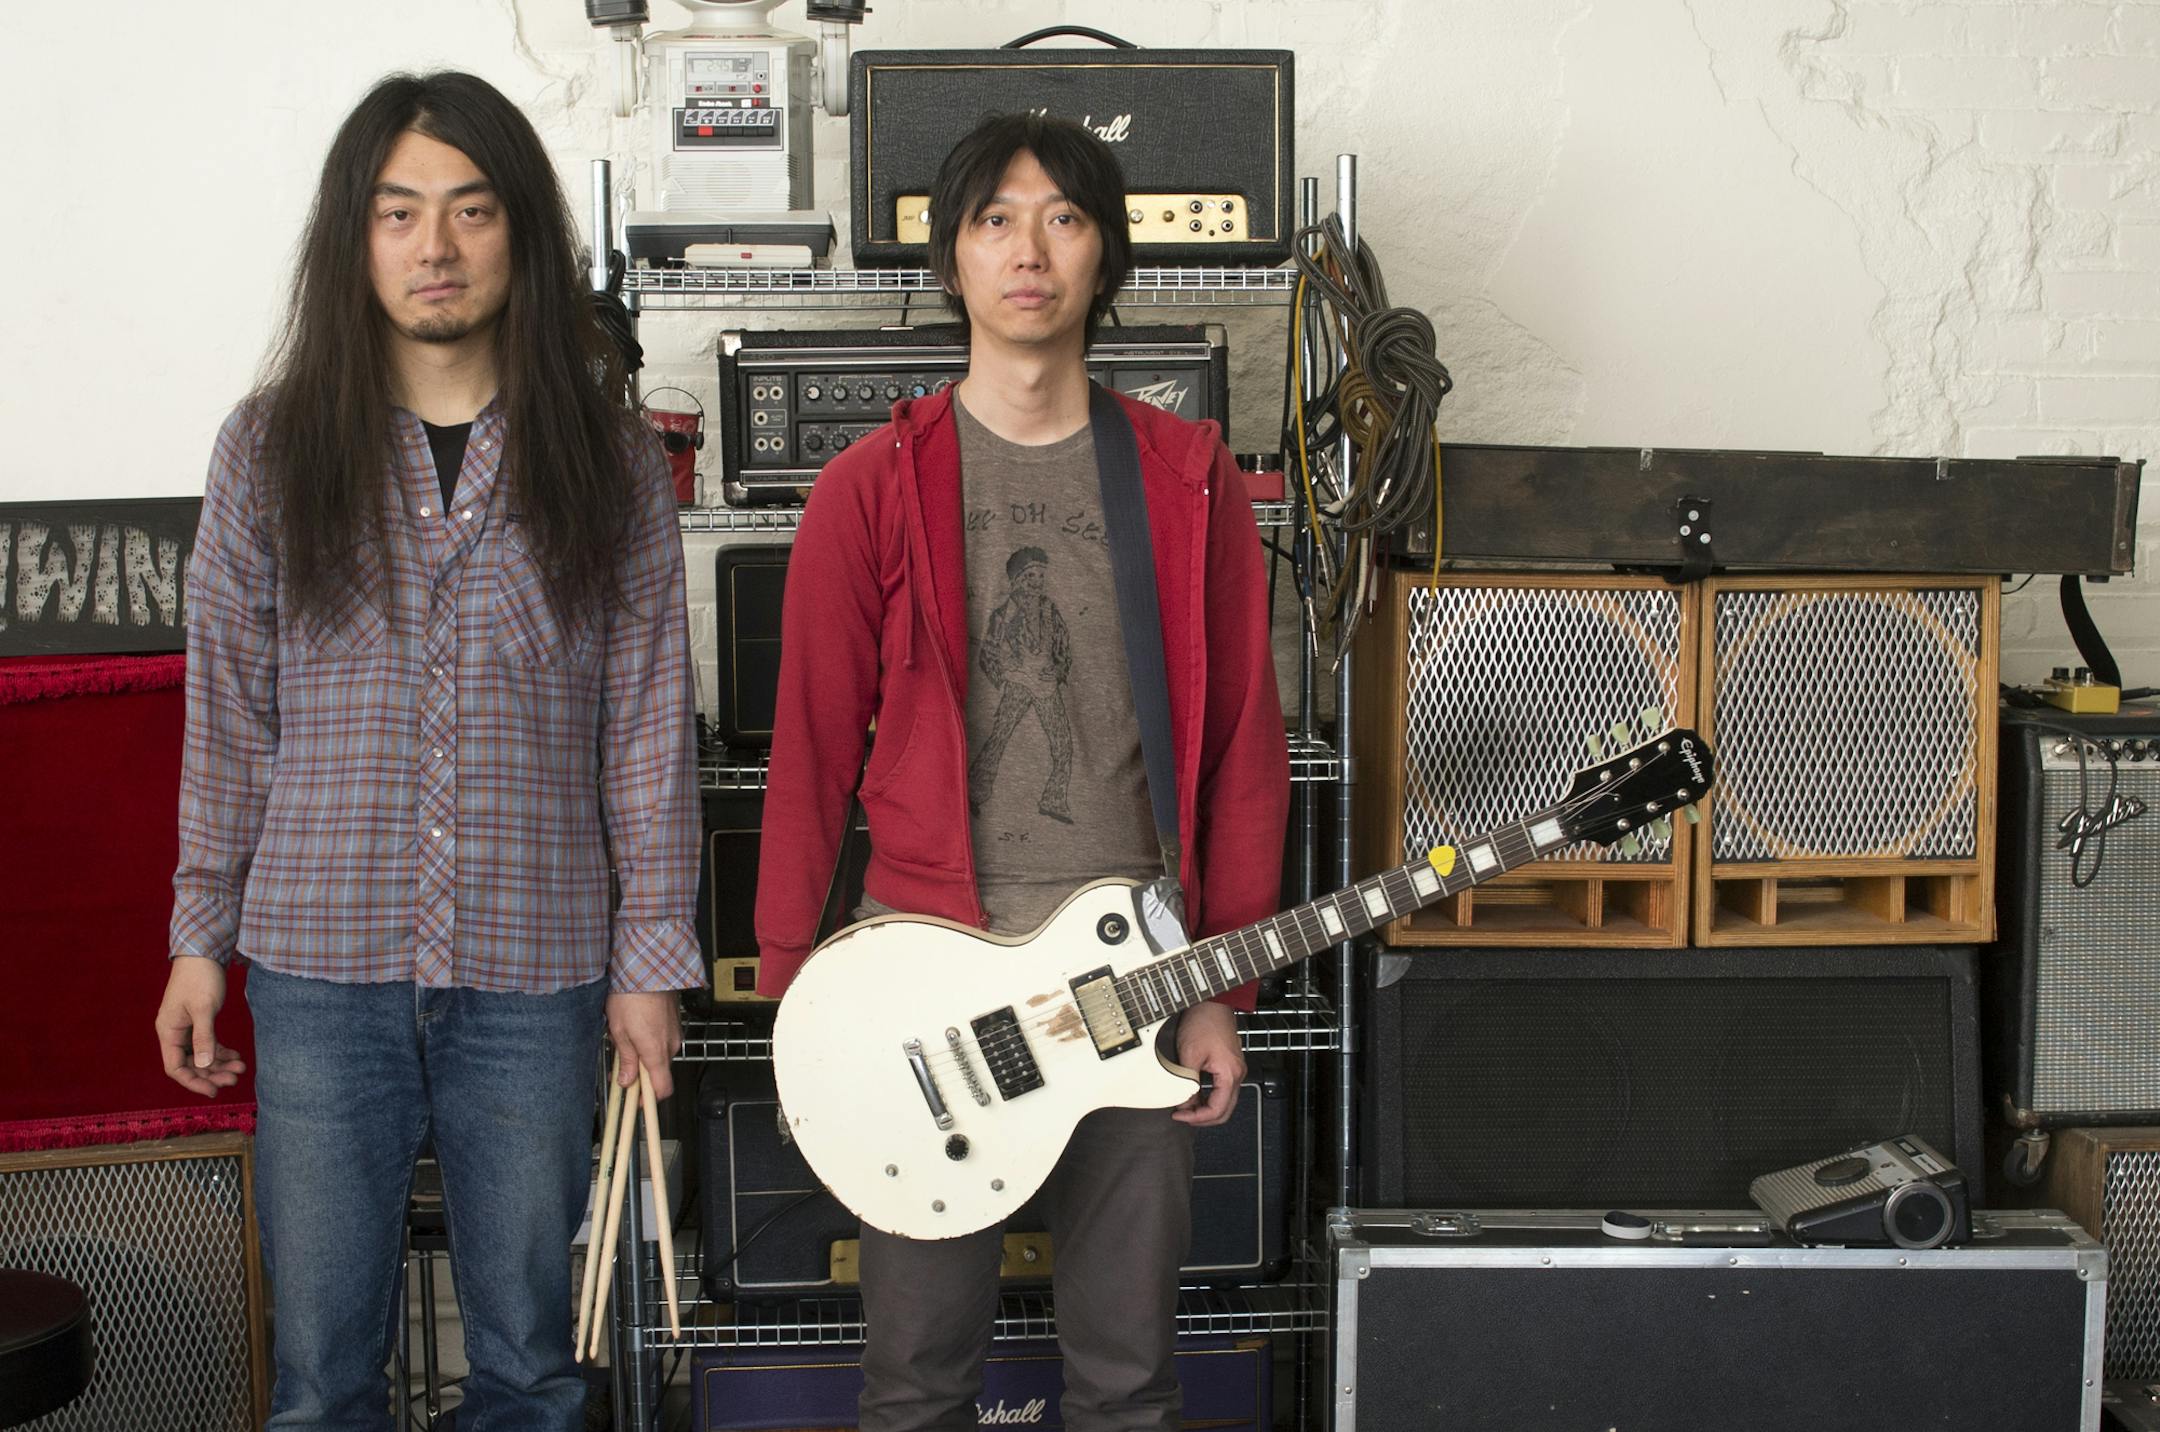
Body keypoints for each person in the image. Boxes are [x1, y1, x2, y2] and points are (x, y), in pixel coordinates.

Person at [152, 71, 701, 1432]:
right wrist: (197, 937)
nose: (435, 248)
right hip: (320, 963)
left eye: (468, 211)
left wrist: (650, 965)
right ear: (356, 238)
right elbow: (229, 712)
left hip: (541, 967)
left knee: (529, 1362)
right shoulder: (270, 450)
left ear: (520, 233)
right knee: (324, 1369)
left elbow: (643, 722)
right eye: (399, 214)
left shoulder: (610, 461)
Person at [755, 113, 1291, 1432]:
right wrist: (793, 1004)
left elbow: (1242, 755)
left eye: (1062, 217)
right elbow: (811, 755)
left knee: (1127, 1383)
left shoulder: (1190, 480)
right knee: (917, 1381)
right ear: (951, 261)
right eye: (995, 218)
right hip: (924, 990)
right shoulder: (869, 488)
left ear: (1103, 258)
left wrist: (1225, 982)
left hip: (1132, 985)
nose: (1028, 249)